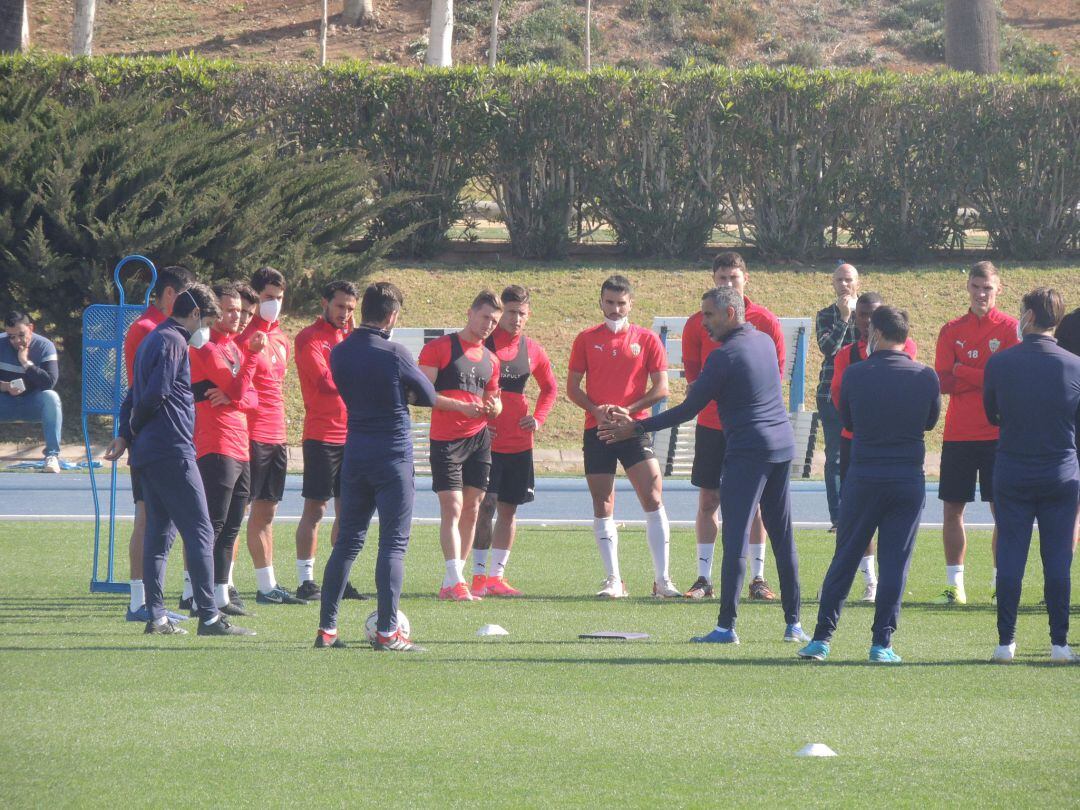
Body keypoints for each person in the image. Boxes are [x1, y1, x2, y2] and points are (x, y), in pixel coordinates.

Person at [600, 287, 803, 641]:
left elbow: (688, 409)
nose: (703, 322)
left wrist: (637, 426)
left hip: (749, 451)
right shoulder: (764, 342)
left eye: (709, 315)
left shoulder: (724, 357)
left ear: (730, 313)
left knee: (736, 537)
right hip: (782, 446)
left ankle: (726, 627)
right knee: (783, 537)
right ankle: (794, 625)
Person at [104, 283, 253, 637]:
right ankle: (209, 616)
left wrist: (127, 433)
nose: (208, 330)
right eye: (209, 319)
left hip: (150, 453)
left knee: (159, 533)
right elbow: (156, 393)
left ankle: (156, 617)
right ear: (196, 313)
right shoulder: (173, 340)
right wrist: (136, 428)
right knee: (201, 530)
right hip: (171, 448)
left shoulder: (153, 337)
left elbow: (132, 394)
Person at [798, 306, 940, 664]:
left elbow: (847, 419)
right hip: (907, 477)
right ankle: (882, 643)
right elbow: (929, 421)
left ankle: (821, 638)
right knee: (895, 563)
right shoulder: (925, 375)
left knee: (845, 556)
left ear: (875, 333)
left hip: (864, 475)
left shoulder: (857, 374)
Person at [316, 282, 438, 652]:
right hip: (392, 454)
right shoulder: (395, 352)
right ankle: (387, 632)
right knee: (393, 545)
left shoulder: (339, 352)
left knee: (347, 543)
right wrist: (405, 393)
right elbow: (429, 397)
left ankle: (327, 630)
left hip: (355, 452)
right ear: (392, 316)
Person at [681, 251, 786, 601]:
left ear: (746, 279)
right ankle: (703, 577)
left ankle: (758, 578)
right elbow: (695, 380)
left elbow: (775, 373)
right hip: (711, 422)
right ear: (713, 279)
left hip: (748, 426)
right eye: (722, 278)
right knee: (709, 498)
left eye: (734, 278)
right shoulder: (699, 321)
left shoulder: (765, 321)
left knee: (753, 502)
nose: (728, 283)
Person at [567, 275, 680, 599]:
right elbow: (573, 388)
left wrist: (628, 410)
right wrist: (596, 410)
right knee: (603, 503)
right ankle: (614, 580)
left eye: (621, 303)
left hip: (633, 428)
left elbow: (661, 389)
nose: (615, 309)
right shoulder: (586, 339)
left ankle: (663, 580)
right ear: (601, 302)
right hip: (598, 429)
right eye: (610, 302)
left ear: (631, 304)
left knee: (653, 496)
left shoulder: (646, 340)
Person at [984, 288, 1079, 664]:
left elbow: (992, 414)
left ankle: (1006, 641)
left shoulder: (1002, 363)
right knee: (1058, 560)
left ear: (1027, 316)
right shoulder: (1074, 365)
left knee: (1011, 556)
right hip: (1061, 471)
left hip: (1014, 468)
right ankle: (1059, 643)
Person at [934, 261, 1019, 604]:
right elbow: (941, 380)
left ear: (999, 290)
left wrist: (963, 370)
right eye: (976, 286)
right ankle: (955, 586)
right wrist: (983, 375)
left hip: (998, 434)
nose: (981, 293)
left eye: (988, 288)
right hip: (958, 434)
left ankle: (1001, 583)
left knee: (1004, 510)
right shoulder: (951, 329)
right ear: (967, 287)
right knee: (953, 509)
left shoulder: (1012, 330)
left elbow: (1008, 381)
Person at [828, 291, 919, 602]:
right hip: (856, 445)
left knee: (890, 517)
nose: (867, 322)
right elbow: (841, 403)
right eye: (863, 315)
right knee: (855, 518)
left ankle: (884, 583)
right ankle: (871, 579)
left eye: (874, 315)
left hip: (892, 448)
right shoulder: (846, 357)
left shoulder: (907, 350)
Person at [472, 285, 558, 597]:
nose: (516, 319)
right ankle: (478, 577)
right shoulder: (481, 345)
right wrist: (479, 422)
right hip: (486, 443)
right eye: (510, 312)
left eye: (522, 313)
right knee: (485, 506)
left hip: (520, 444)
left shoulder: (533, 349)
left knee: (509, 509)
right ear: (500, 312)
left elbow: (550, 388)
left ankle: (497, 577)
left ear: (528, 315)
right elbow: (463, 384)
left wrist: (538, 418)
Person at [418, 290, 504, 601]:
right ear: (470, 313)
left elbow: (496, 401)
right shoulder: (439, 348)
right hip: (446, 439)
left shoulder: (492, 360)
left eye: (494, 321)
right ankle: (455, 580)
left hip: (479, 439)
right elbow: (422, 395)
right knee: (452, 507)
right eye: (485, 318)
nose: (489, 325)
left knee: (472, 508)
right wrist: (459, 407)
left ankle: (453, 580)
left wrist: (494, 409)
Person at [120, 265, 194, 623]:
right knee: (147, 517)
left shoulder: (161, 331)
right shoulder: (152, 330)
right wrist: (130, 428)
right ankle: (140, 601)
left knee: (158, 520)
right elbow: (140, 391)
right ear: (171, 295)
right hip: (154, 437)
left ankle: (152, 602)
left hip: (157, 435)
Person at [188, 282, 264, 617]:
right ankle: (196, 596)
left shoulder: (234, 348)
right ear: (214, 311)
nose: (237, 317)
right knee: (213, 525)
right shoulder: (206, 348)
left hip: (240, 444)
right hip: (215, 444)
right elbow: (236, 386)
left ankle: (219, 595)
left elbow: (253, 397)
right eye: (229, 310)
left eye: (241, 311)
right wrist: (251, 360)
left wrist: (237, 395)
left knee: (232, 524)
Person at [293, 280, 367, 602]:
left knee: (348, 511)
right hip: (322, 435)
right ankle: (306, 580)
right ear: (325, 302)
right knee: (316, 508)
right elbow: (325, 382)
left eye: (351, 309)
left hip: (353, 435)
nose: (345, 313)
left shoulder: (351, 338)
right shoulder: (309, 337)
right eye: (340, 306)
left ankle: (340, 578)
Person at [236, 266, 306, 605]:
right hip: (247, 434)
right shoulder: (242, 334)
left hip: (276, 436)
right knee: (236, 513)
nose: (273, 304)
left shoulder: (281, 338)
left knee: (267, 513)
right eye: (267, 298)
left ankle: (267, 586)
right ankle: (226, 584)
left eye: (278, 298)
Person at [815, 263, 860, 532]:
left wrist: (855, 315)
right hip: (830, 392)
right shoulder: (826, 315)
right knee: (835, 456)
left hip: (864, 394)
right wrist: (843, 318)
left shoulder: (870, 313)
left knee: (862, 454)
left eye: (848, 280)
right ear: (833, 283)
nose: (844, 284)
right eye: (839, 280)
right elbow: (828, 348)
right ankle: (838, 518)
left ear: (857, 282)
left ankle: (860, 512)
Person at [1, 311, 62, 473]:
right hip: (5, 403)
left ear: (31, 328)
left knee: (51, 397)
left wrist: (25, 362)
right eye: (11, 336)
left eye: (21, 335)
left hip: (32, 404)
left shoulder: (45, 346)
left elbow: (49, 382)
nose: (16, 341)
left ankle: (52, 456)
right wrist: (5, 387)